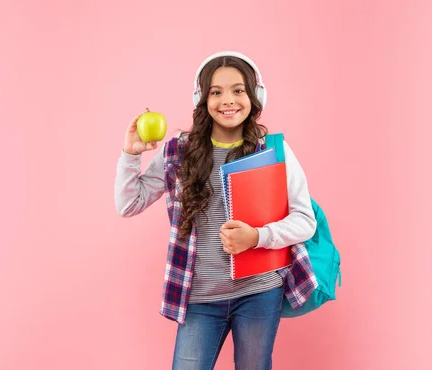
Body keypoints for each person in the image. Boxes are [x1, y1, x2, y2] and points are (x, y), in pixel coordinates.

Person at [115, 51, 317, 370]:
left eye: (238, 90)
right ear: (202, 99)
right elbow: (128, 204)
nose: (228, 100)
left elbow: (306, 221)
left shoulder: (274, 149)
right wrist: (130, 154)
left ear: (254, 95)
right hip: (199, 297)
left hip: (259, 291)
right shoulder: (179, 150)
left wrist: (257, 236)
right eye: (216, 91)